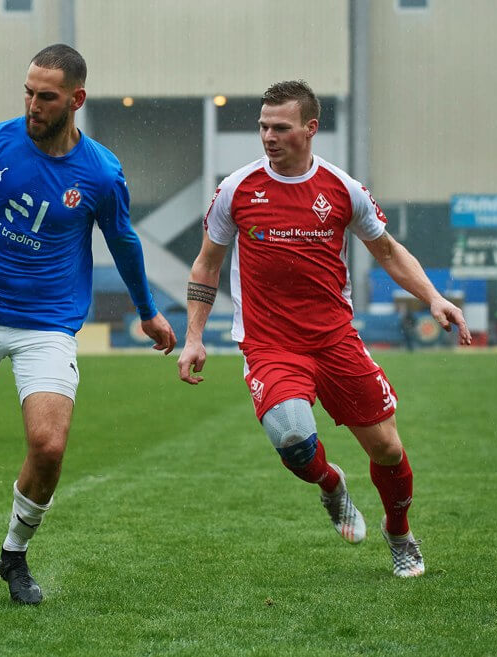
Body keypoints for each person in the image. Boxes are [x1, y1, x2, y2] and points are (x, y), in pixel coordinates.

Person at [0, 44, 176, 605]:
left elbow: (123, 242)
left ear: (76, 99)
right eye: (27, 92)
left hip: (46, 326)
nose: (32, 105)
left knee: (48, 447)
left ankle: (14, 555)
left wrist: (147, 311)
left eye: (46, 96)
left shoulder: (101, 172)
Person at [177, 80, 471, 579]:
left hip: (335, 340)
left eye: (280, 127)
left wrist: (434, 297)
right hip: (270, 344)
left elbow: (388, 252)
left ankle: (399, 532)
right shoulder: (236, 190)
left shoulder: (342, 189)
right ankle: (330, 483)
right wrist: (193, 337)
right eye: (263, 127)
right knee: (293, 438)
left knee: (388, 449)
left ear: (310, 128)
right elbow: (207, 264)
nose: (268, 137)